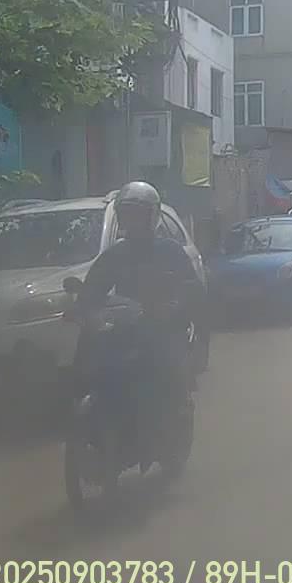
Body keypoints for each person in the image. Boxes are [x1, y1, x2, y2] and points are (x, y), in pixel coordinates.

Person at [74, 182, 199, 451]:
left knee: (167, 367)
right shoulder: (114, 255)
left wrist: (174, 307)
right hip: (127, 327)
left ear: (152, 217)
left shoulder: (171, 252)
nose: (133, 221)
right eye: (128, 214)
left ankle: (171, 423)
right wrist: (83, 308)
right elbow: (93, 289)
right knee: (94, 363)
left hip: (164, 328)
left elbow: (191, 289)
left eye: (139, 215)